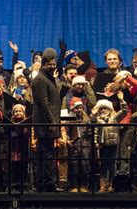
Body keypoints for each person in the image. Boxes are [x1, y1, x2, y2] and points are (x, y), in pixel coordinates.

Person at [31, 47, 61, 192]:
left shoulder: (48, 77)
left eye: (54, 63)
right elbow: (43, 103)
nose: (53, 65)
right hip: (46, 124)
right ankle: (46, 184)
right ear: (43, 63)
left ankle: (45, 183)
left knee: (47, 154)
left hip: (49, 123)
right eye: (50, 63)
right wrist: (51, 122)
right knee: (45, 154)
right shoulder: (40, 80)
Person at [93, 91, 128, 192]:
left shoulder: (114, 118)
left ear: (110, 109)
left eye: (106, 108)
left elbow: (124, 111)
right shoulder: (98, 120)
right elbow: (95, 131)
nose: (103, 110)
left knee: (112, 164)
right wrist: (96, 141)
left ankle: (112, 184)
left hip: (113, 144)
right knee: (103, 164)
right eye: (101, 108)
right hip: (103, 145)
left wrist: (121, 100)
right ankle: (103, 184)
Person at [61, 97, 92, 192]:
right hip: (73, 145)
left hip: (84, 144)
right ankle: (73, 185)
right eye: (77, 108)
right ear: (72, 109)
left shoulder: (86, 119)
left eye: (80, 107)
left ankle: (83, 185)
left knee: (84, 165)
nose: (79, 110)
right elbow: (65, 130)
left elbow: (90, 131)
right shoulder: (69, 119)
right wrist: (67, 141)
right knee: (73, 165)